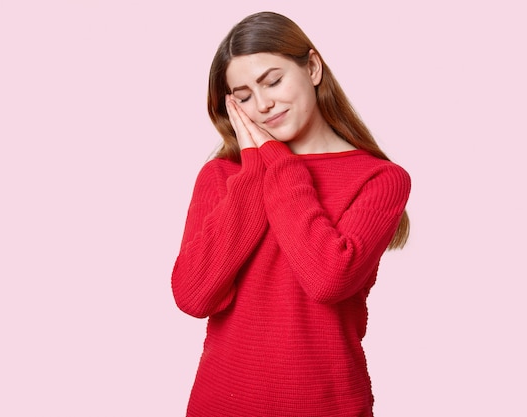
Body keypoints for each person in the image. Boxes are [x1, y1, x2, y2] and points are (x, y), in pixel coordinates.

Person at [171, 11, 411, 417]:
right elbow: (194, 296)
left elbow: (327, 279)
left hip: (326, 406)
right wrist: (253, 174)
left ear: (312, 68)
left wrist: (278, 164)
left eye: (273, 81)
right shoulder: (222, 177)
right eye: (244, 96)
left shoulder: (380, 178)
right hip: (221, 405)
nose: (263, 105)